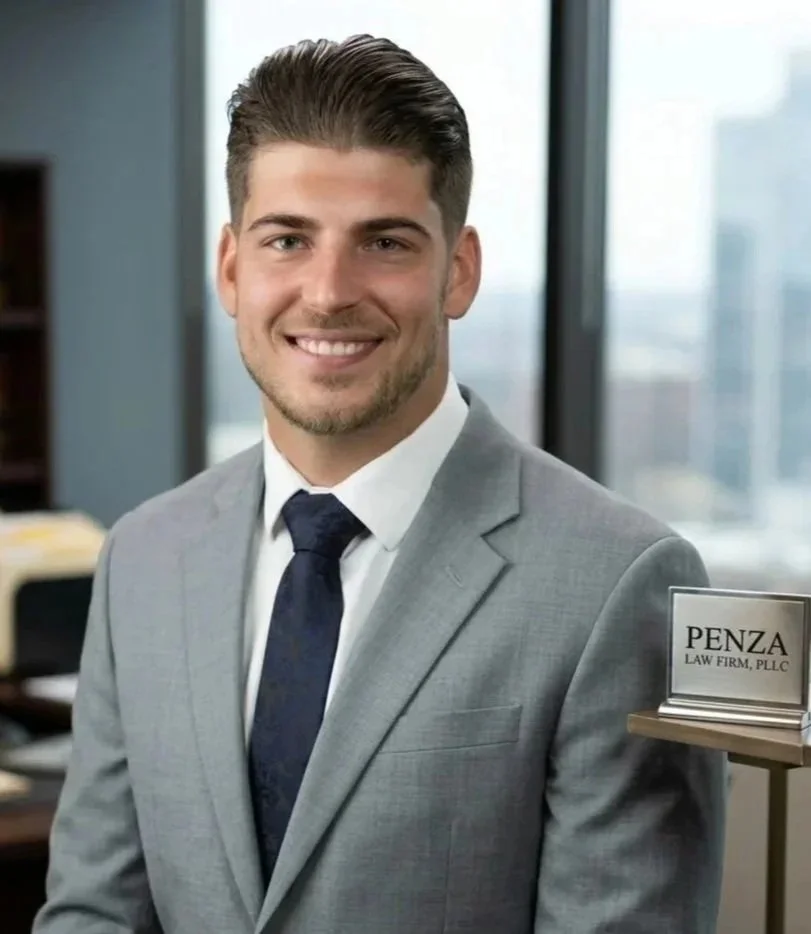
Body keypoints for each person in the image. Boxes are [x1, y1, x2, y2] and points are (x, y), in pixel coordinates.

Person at [34, 34, 726, 934]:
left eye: (384, 242)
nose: (327, 292)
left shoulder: (616, 583)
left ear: (459, 270)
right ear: (232, 268)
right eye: (287, 239)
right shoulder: (144, 556)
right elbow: (92, 911)